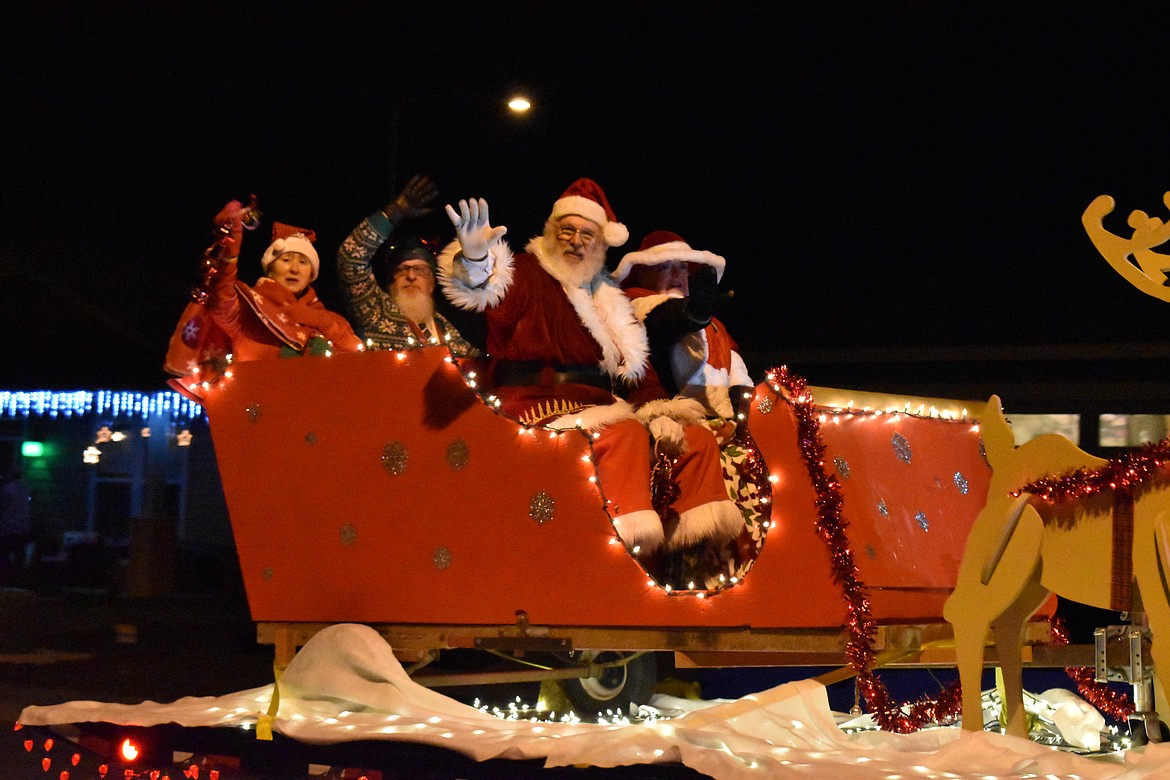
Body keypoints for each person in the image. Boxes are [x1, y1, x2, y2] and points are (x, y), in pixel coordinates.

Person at [439, 178, 742, 559]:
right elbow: (491, 293)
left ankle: (690, 555)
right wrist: (476, 262)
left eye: (588, 234)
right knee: (625, 432)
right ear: (551, 233)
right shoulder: (527, 274)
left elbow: (639, 370)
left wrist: (661, 410)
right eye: (567, 230)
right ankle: (625, 552)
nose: (577, 241)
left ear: (601, 244)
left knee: (694, 438)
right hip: (536, 405)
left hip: (600, 405)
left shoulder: (608, 298)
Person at [165, 202, 364, 393]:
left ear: (312, 272)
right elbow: (221, 299)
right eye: (286, 260)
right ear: (270, 268)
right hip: (256, 411)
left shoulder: (328, 319)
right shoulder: (250, 310)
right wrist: (230, 252)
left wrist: (320, 322)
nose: (294, 268)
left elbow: (358, 359)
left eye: (303, 262)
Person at [613, 230, 753, 438]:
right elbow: (663, 322)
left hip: (714, 419)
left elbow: (735, 370)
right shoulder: (637, 304)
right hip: (660, 416)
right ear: (643, 275)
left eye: (683, 267)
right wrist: (694, 314)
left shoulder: (713, 324)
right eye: (665, 267)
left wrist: (743, 409)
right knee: (698, 442)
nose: (677, 274)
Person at [336, 175, 478, 357]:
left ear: (432, 283)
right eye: (402, 270)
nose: (411, 276)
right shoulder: (375, 310)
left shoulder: (447, 330)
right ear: (391, 283)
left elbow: (476, 363)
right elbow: (350, 258)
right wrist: (394, 212)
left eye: (420, 270)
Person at [0, 464, 32, 581]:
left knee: (4, 553)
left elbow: (3, 506)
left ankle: (6, 576)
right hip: (23, 527)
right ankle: (19, 577)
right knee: (19, 553)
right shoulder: (25, 489)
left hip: (9, 527)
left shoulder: (7, 489)